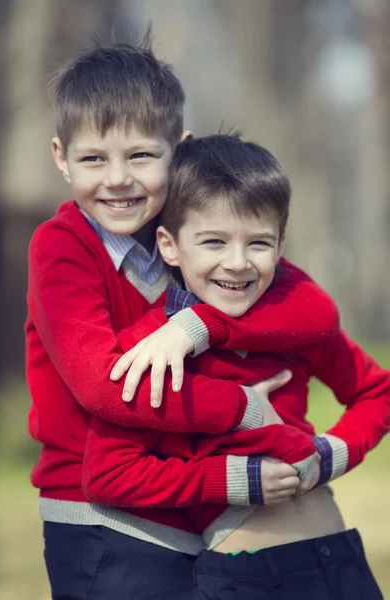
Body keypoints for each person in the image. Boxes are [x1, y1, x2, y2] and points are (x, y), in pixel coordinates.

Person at [26, 40, 344, 599]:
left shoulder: (191, 235)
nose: (118, 180)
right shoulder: (62, 246)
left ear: (180, 149)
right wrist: (242, 407)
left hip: (187, 501)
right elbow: (105, 385)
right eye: (93, 159)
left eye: (142, 156)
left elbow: (313, 308)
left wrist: (198, 325)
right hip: (101, 514)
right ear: (60, 157)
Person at [91, 134, 389, 599]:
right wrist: (235, 481)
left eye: (258, 243)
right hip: (250, 579)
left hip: (342, 561)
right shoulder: (150, 352)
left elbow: (378, 393)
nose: (237, 262)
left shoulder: (296, 328)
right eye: (213, 241)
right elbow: (109, 475)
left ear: (281, 244)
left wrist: (330, 456)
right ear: (170, 246)